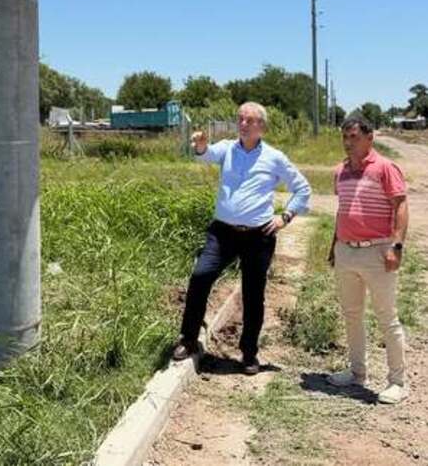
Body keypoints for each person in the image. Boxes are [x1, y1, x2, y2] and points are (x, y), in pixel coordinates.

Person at [172, 102, 311, 374]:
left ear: (262, 126)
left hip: (259, 236)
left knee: (253, 293)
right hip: (222, 233)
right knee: (200, 276)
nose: (243, 124)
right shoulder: (227, 148)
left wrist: (285, 217)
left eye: (249, 120)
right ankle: (188, 339)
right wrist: (200, 145)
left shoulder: (274, 157)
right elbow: (206, 154)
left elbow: (302, 188)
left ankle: (248, 353)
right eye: (240, 119)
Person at [326, 114, 409, 404]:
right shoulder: (341, 171)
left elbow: (400, 206)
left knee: (387, 317)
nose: (348, 143)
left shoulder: (385, 168)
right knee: (352, 315)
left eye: (354, 137)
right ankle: (357, 372)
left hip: (378, 250)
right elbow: (343, 210)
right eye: (345, 137)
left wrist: (396, 246)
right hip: (347, 251)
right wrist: (334, 245)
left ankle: (398, 381)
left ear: (369, 138)